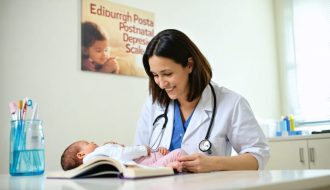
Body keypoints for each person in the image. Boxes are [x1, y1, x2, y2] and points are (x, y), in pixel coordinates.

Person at [134, 29, 269, 173]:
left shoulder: (231, 103)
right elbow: (138, 155)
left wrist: (214, 163)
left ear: (190, 65)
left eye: (167, 74)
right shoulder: (154, 104)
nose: (161, 84)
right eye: (155, 75)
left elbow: (258, 156)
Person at [60, 140, 187, 171]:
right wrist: (144, 149)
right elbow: (123, 153)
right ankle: (171, 166)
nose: (92, 142)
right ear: (81, 154)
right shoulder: (97, 153)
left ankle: (170, 166)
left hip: (144, 165)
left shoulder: (96, 160)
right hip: (145, 164)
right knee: (179, 153)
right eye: (87, 143)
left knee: (162, 160)